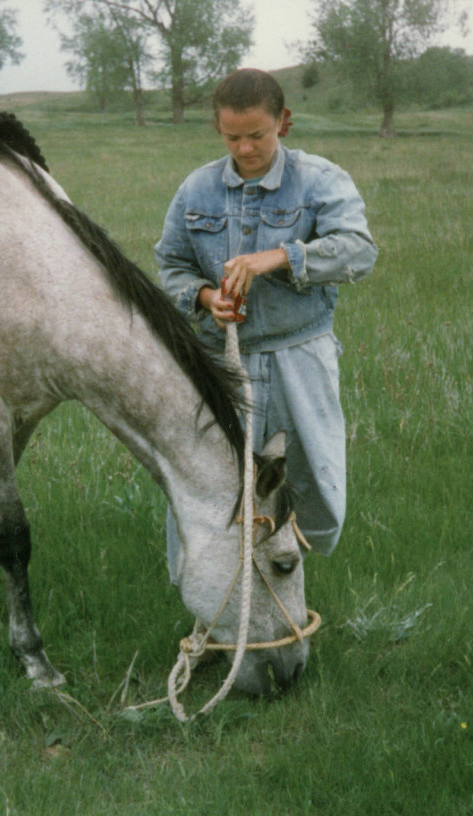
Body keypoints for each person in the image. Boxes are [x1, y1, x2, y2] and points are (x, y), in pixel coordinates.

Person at [155, 68, 378, 583]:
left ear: (285, 122)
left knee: (308, 478)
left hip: (301, 353)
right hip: (220, 361)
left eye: (257, 134)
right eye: (233, 136)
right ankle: (213, 591)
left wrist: (276, 257)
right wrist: (208, 298)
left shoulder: (320, 180)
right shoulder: (196, 189)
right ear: (218, 129)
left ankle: (287, 587)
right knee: (213, 478)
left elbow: (360, 252)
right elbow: (171, 265)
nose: (246, 147)